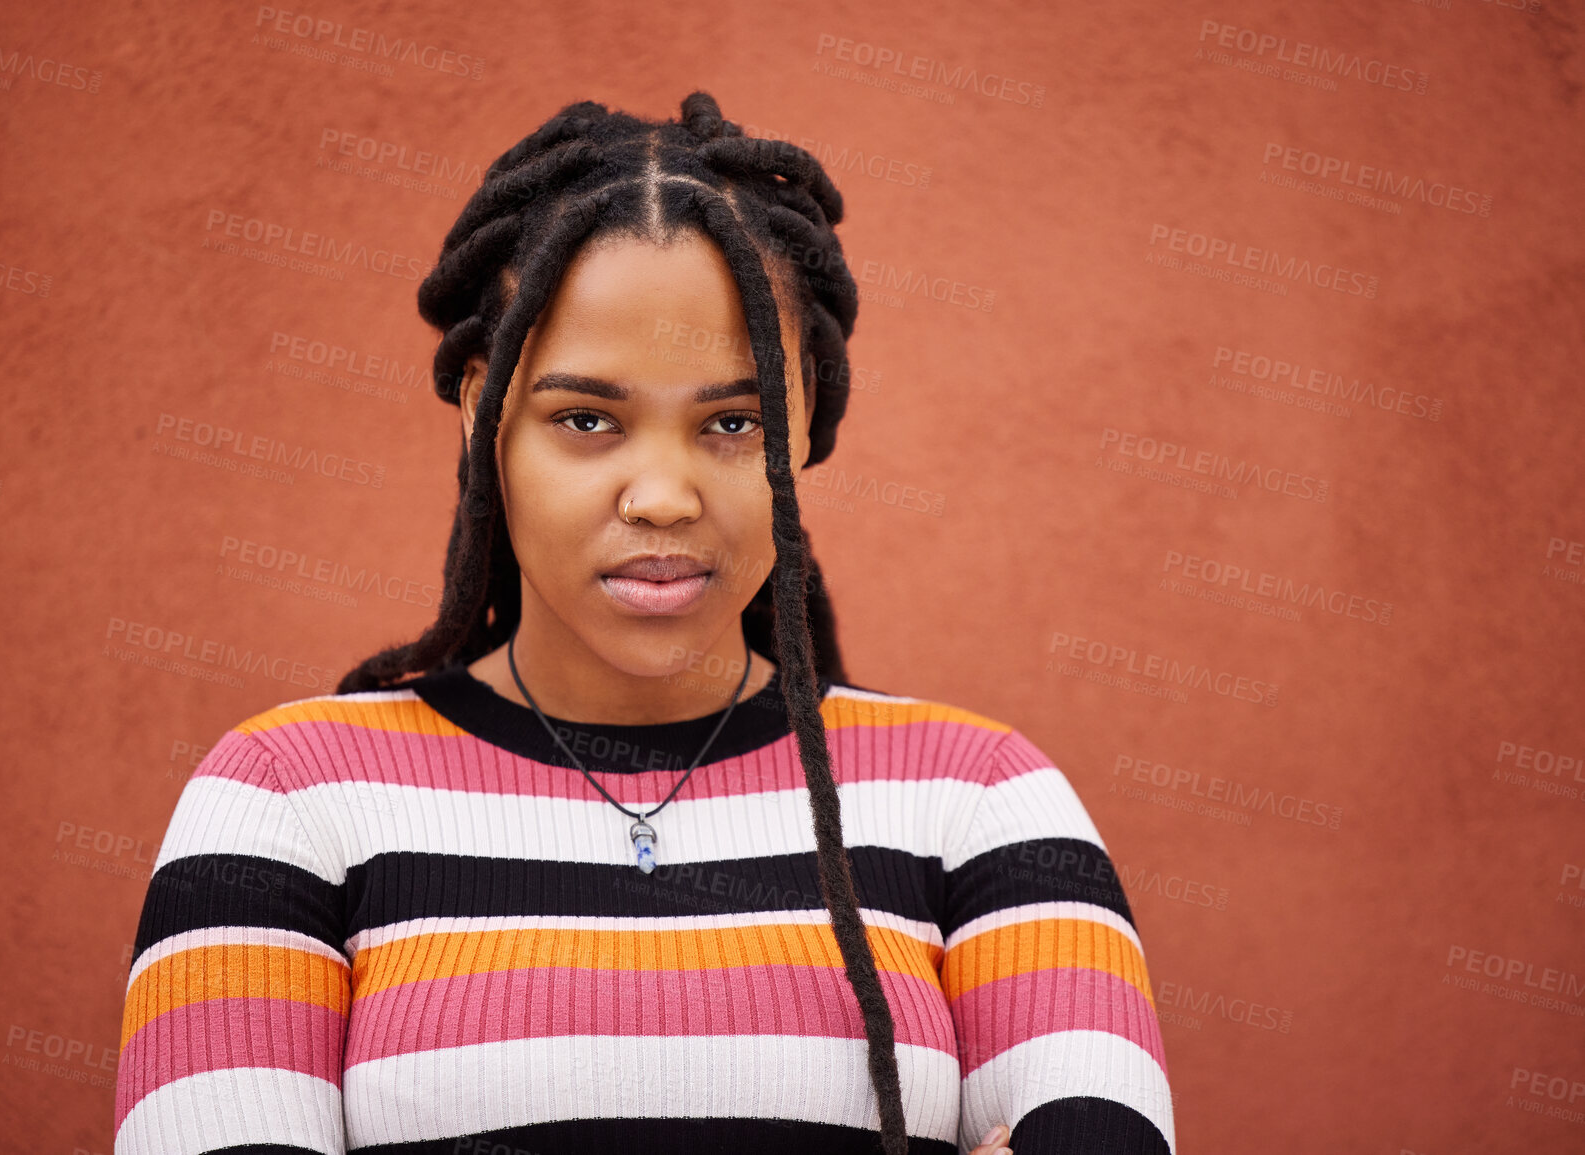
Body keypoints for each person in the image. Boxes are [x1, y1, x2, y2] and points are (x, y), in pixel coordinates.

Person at [114, 92, 1174, 1155]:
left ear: (810, 421)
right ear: (484, 414)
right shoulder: (285, 804)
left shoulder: (982, 804)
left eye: (733, 421)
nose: (662, 495)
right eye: (586, 420)